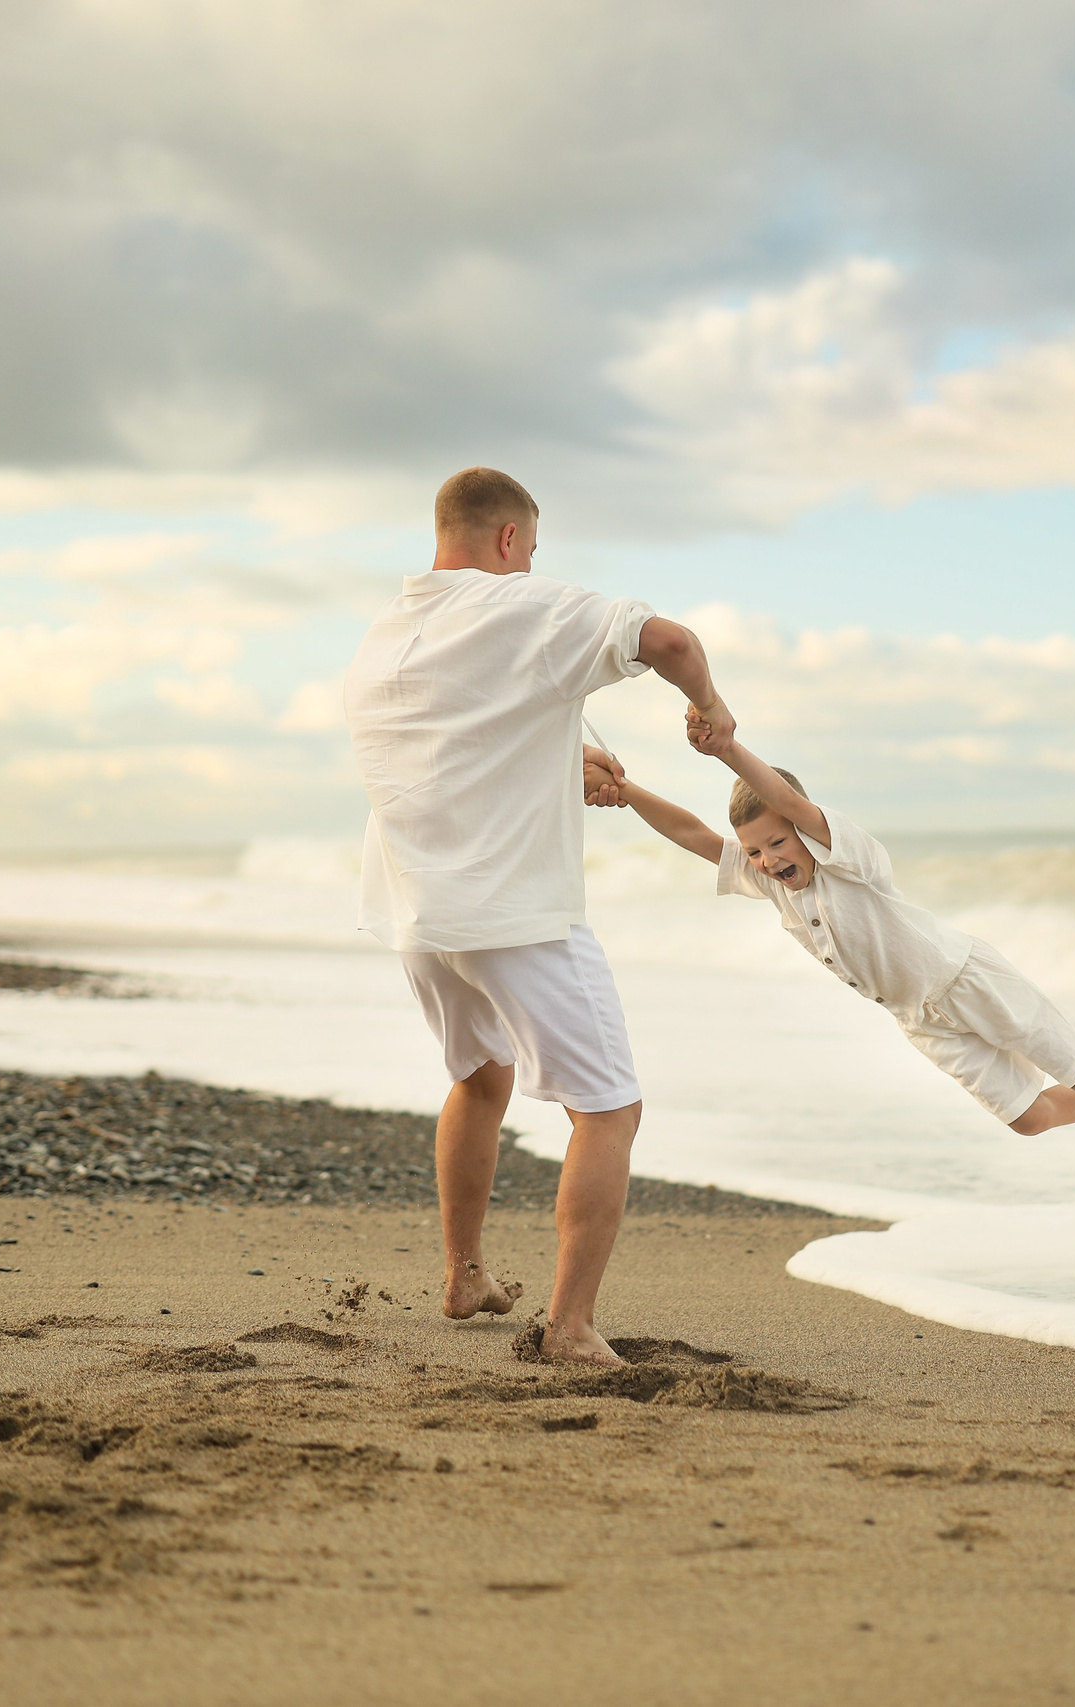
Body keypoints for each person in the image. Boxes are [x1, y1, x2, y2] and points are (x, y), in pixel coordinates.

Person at [344, 467, 737, 1368]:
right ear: (509, 539)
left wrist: (567, 761)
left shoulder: (386, 634)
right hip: (514, 914)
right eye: (529, 551)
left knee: (480, 1078)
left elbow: (454, 751)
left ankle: (464, 1275)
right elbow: (670, 640)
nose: (529, 567)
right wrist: (712, 710)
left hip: (415, 911)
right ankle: (568, 1324)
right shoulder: (518, 603)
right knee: (609, 1108)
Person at [581, 731, 1075, 1173]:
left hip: (966, 979)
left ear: (805, 831)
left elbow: (785, 797)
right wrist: (626, 790)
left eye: (777, 843)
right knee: (1031, 1119)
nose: (766, 860)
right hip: (920, 1019)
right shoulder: (775, 887)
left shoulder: (845, 857)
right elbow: (694, 834)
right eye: (755, 851)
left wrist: (728, 748)